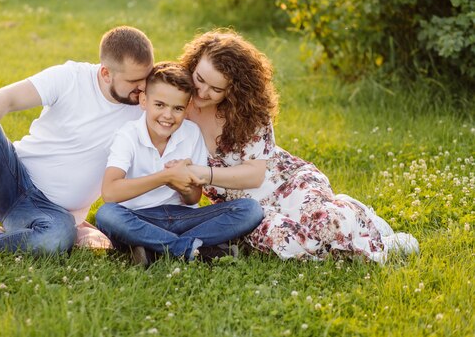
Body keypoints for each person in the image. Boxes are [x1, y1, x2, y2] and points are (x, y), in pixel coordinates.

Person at [0, 26, 160, 276]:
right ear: (106, 73)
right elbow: (5, 99)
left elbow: (182, 99)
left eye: (145, 79)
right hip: (11, 181)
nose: (142, 88)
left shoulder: (145, 104)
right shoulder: (70, 78)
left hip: (51, 215)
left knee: (56, 239)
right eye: (134, 81)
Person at [176, 29, 419, 263]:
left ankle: (369, 227)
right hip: (247, 210)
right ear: (192, 65)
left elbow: (254, 175)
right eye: (200, 79)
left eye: (216, 89)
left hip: (286, 182)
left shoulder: (248, 112)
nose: (203, 91)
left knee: (324, 223)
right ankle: (362, 231)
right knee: (289, 242)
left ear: (233, 89)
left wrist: (205, 174)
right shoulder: (175, 105)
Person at [95, 62, 264, 266]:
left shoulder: (191, 133)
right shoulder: (128, 135)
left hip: (183, 218)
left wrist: (181, 185)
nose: (168, 115)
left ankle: (154, 248)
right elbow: (110, 192)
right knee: (107, 215)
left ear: (187, 108)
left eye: (177, 108)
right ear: (143, 100)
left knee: (249, 210)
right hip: (137, 218)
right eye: (160, 105)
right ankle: (194, 250)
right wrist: (166, 177)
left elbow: (194, 197)